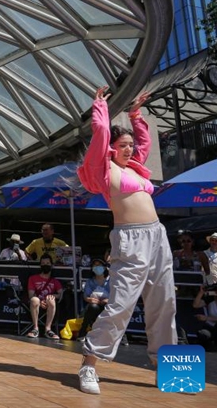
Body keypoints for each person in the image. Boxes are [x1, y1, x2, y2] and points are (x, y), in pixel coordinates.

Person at [76, 87, 176, 395]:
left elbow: (144, 142)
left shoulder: (135, 166)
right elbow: (101, 132)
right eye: (123, 145)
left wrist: (135, 114)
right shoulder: (105, 170)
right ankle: (89, 363)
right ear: (111, 149)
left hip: (157, 235)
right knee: (120, 305)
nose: (130, 149)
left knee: (165, 303)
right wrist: (101, 106)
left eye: (131, 145)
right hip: (130, 240)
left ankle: (167, 369)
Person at [26, 254, 63, 339]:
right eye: (43, 263)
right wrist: (40, 301)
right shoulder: (32, 278)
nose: (45, 265)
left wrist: (52, 296)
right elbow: (31, 295)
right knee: (34, 300)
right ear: (40, 265)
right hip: (36, 303)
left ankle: (48, 329)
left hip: (49, 304)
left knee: (51, 299)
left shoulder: (55, 281)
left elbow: (60, 294)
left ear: (51, 265)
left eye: (47, 263)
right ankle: (35, 328)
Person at [77, 259, 110, 341]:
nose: (97, 267)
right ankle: (83, 331)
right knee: (93, 307)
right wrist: (90, 300)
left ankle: (122, 336)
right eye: (95, 266)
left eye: (99, 265)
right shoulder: (90, 281)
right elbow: (86, 296)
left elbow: (116, 294)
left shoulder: (110, 280)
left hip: (108, 305)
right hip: (95, 305)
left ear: (104, 267)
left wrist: (108, 300)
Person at [192, 284, 217, 351]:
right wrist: (201, 293)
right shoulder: (211, 300)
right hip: (209, 326)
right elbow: (195, 305)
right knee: (203, 334)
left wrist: (207, 318)